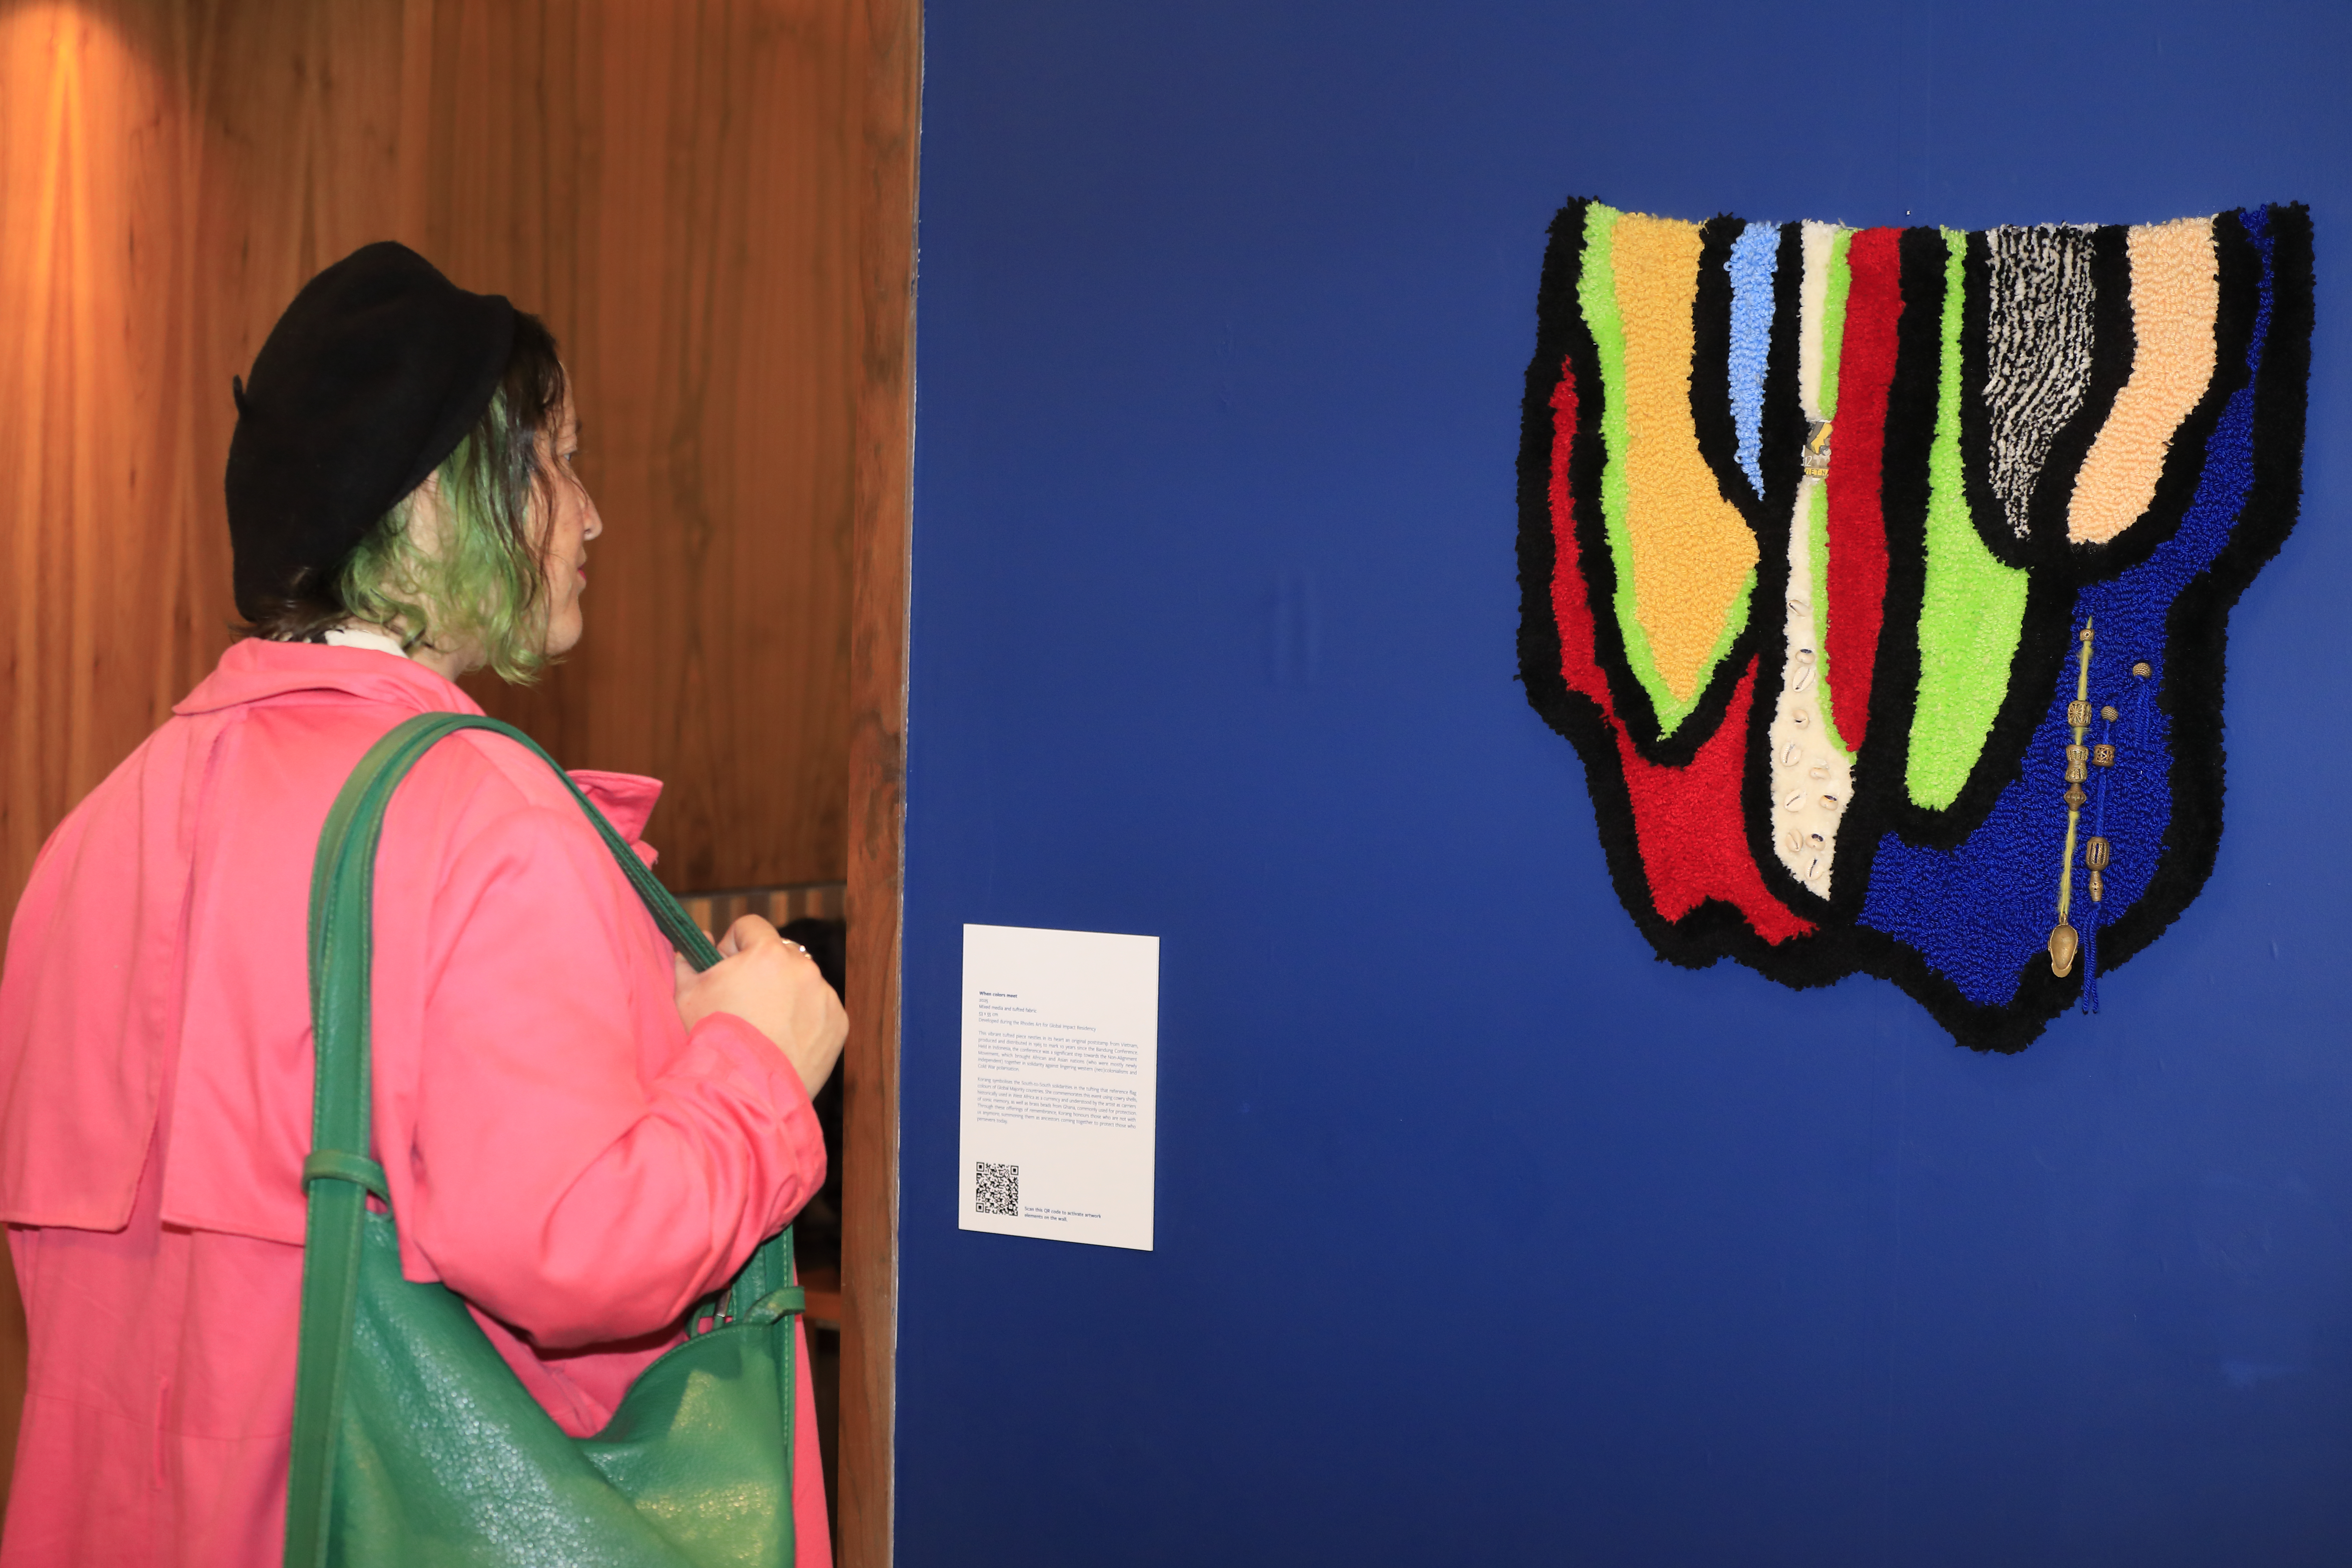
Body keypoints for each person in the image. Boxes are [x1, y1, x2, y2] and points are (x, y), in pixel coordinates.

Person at [0, 243, 846, 1564]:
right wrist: (762, 1065)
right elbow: (580, 1250)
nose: (591, 515)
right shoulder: (477, 817)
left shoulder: (90, 839)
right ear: (439, 506)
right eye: (558, 460)